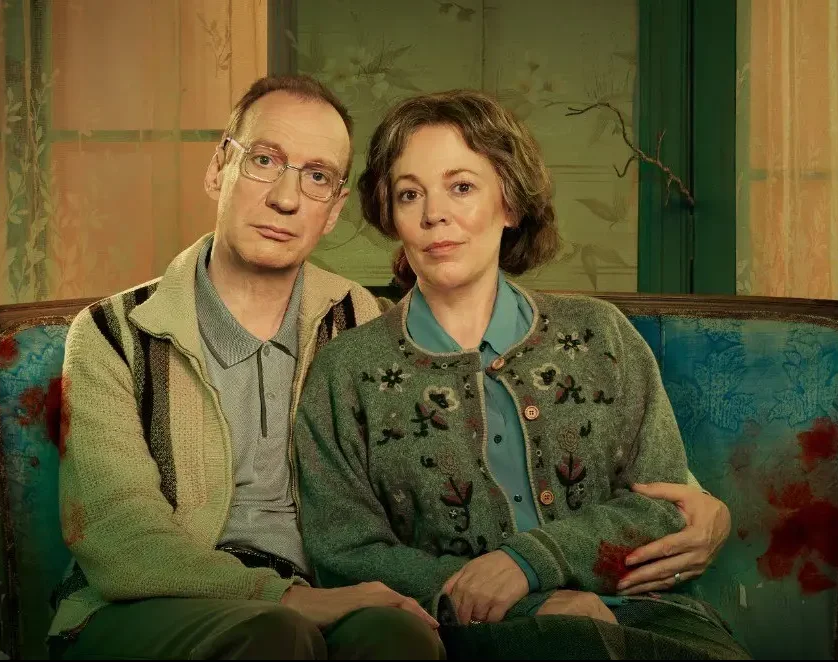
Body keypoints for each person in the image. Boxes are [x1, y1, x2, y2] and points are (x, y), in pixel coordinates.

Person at [292, 89, 751, 659]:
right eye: (410, 194)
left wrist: (529, 562)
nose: (435, 214)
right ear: (392, 217)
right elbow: (346, 555)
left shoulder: (601, 335)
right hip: (460, 637)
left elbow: (664, 505)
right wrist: (529, 604)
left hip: (648, 621)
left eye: (462, 187)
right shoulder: (347, 370)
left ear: (509, 204)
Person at [46, 75, 444, 660]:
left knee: (400, 638)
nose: (286, 198)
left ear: (334, 210)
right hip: (144, 608)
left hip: (322, 592)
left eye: (317, 176)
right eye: (264, 160)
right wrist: (283, 599)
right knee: (273, 635)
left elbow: (414, 499)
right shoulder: (114, 332)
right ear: (218, 169)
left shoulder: (362, 321)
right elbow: (120, 538)